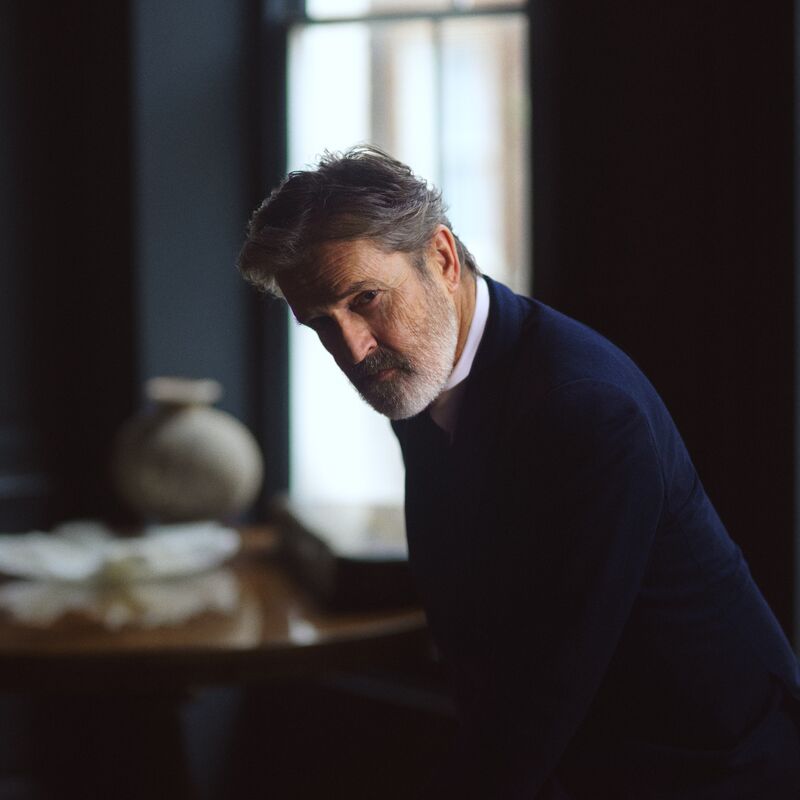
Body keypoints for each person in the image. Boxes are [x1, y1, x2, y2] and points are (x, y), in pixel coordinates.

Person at [238, 145, 800, 798]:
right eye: (321, 325)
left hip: (712, 764)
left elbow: (550, 678)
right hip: (588, 751)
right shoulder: (419, 371)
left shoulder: (585, 405)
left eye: (365, 299)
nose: (352, 348)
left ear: (442, 259)